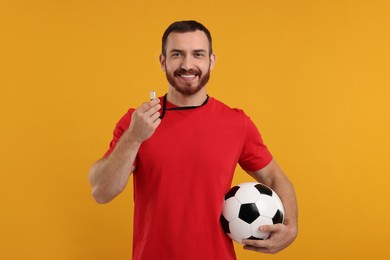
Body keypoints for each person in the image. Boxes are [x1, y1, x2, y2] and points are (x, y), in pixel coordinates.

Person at [89, 20, 298, 259]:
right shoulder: (137, 122)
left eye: (197, 54)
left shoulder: (236, 123)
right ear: (163, 61)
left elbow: (274, 176)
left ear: (211, 60)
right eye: (177, 54)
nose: (187, 65)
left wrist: (290, 227)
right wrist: (134, 137)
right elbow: (101, 192)